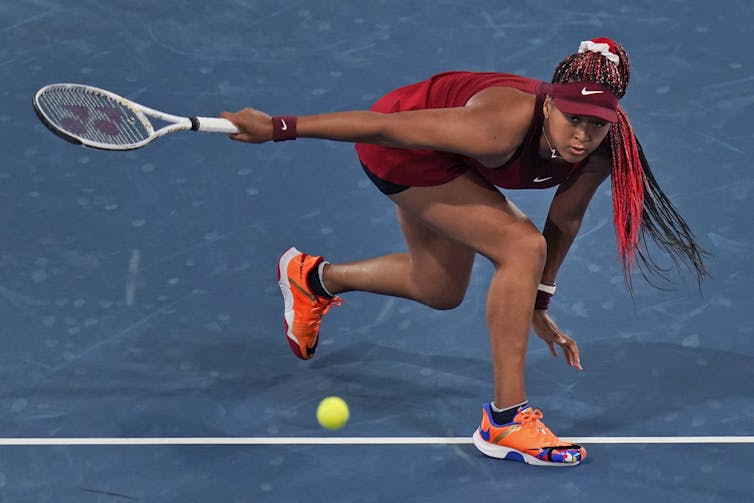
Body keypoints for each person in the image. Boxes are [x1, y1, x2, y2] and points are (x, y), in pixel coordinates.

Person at [220, 37, 707, 467]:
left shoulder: (604, 146)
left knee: (439, 288)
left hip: (454, 161)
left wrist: (539, 302)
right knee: (520, 244)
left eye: (596, 125)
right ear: (548, 106)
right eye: (572, 119)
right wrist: (279, 127)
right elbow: (383, 129)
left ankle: (314, 279)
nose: (582, 135)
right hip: (404, 145)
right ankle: (505, 421)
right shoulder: (494, 127)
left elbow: (565, 218)